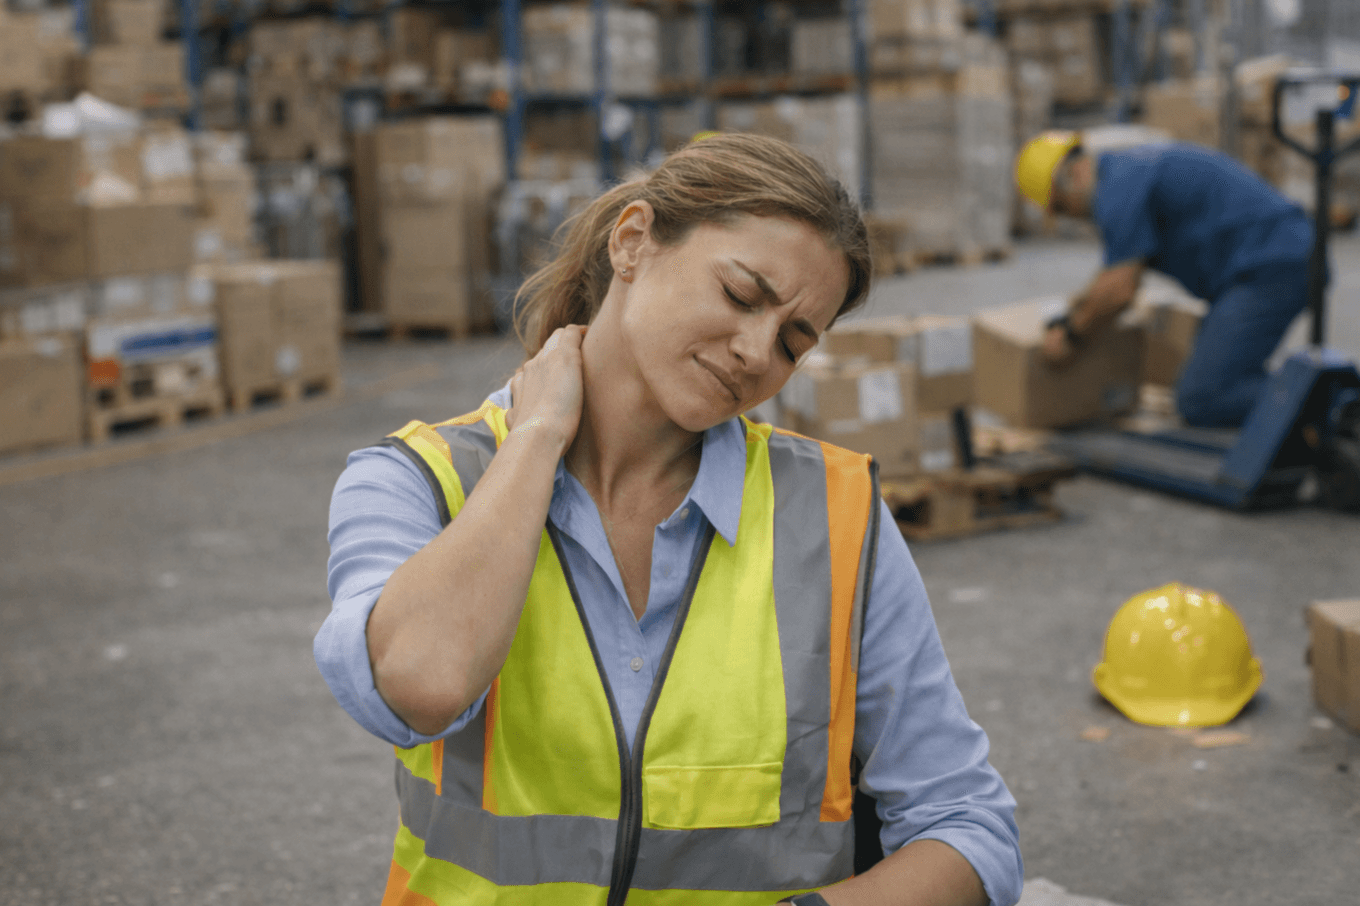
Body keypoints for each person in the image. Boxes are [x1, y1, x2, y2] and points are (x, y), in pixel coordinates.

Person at [316, 132, 1023, 905]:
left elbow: (967, 827)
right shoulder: (416, 481)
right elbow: (422, 680)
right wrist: (538, 437)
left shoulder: (836, 513)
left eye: (794, 342)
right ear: (633, 241)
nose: (757, 352)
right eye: (741, 294)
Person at [1014, 130, 1317, 428]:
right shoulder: (1125, 172)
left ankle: (1332, 403)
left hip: (1271, 265)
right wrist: (1078, 310)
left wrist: (1072, 337)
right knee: (1219, 372)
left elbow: (1119, 289)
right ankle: (1299, 408)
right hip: (1273, 257)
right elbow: (1116, 272)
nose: (1073, 218)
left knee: (1203, 397)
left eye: (1062, 207)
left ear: (1072, 176)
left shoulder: (1116, 190)